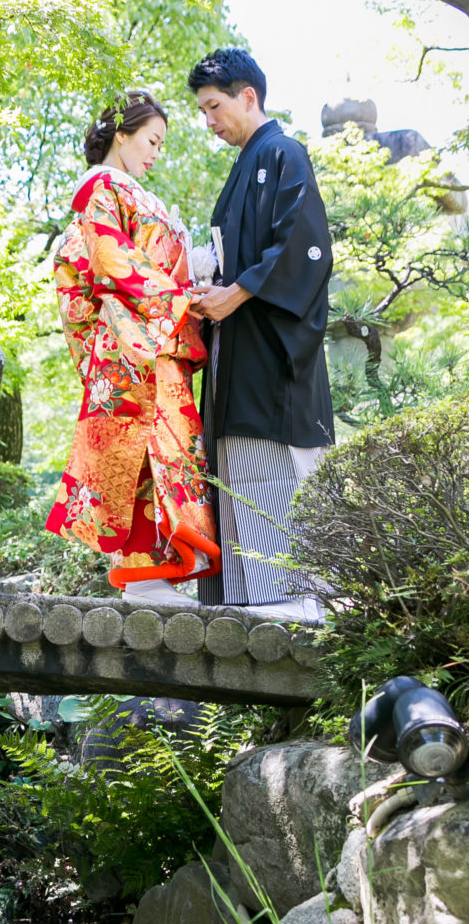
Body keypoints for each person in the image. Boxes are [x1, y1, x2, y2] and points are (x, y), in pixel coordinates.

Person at [45, 92, 221, 592]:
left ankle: (152, 579)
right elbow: (111, 257)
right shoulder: (100, 187)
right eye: (151, 140)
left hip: (153, 339)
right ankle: (146, 580)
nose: (155, 153)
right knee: (149, 456)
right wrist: (180, 299)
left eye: (161, 145)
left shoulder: (127, 190)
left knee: (157, 457)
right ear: (121, 134)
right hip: (139, 344)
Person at [186, 48, 334, 611]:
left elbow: (304, 245)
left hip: (271, 356)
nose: (209, 121)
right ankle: (245, 615)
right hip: (236, 351)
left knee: (277, 477)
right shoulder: (246, 161)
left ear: (249, 96)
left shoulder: (283, 152)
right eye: (203, 110)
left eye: (214, 106)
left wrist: (238, 291)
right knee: (236, 480)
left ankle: (296, 611)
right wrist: (210, 288)